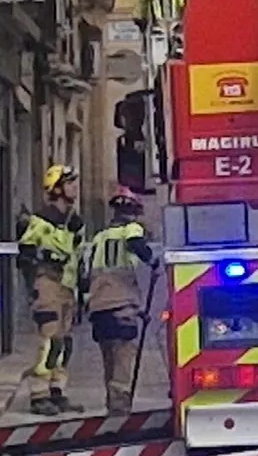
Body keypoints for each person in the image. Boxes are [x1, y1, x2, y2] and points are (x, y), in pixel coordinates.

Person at [78, 186, 161, 417]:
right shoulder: (131, 229)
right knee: (124, 358)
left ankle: (111, 400)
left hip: (98, 307)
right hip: (121, 304)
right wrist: (152, 262)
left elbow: (84, 274)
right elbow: (136, 244)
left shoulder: (98, 238)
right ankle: (120, 405)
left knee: (109, 357)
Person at [16, 166, 83, 415]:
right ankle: (38, 394)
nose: (74, 187)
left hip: (67, 286)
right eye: (69, 183)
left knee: (64, 341)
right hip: (47, 283)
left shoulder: (74, 222)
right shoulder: (41, 220)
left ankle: (57, 390)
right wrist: (36, 276)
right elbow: (25, 254)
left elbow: (77, 255)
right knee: (48, 339)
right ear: (56, 189)